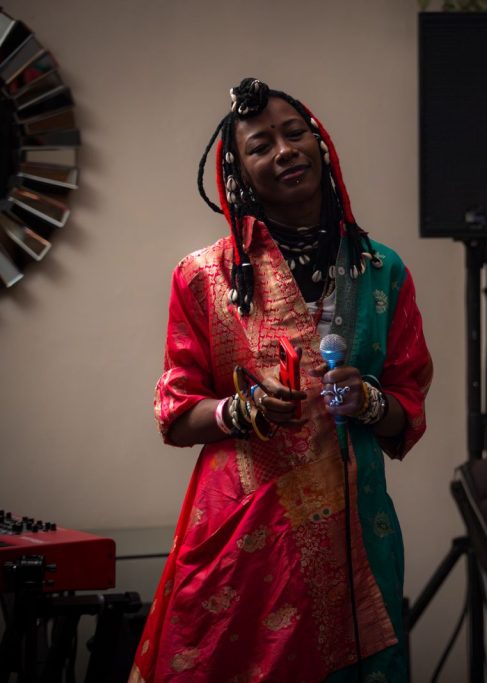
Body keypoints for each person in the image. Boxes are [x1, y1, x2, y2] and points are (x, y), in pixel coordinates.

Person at [129, 78, 432, 683]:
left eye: (295, 134)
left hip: (355, 528)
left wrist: (369, 402)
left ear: (320, 145)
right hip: (245, 538)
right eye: (261, 145)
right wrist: (242, 411)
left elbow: (407, 404)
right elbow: (177, 413)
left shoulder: (381, 270)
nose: (285, 150)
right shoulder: (203, 277)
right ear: (238, 172)